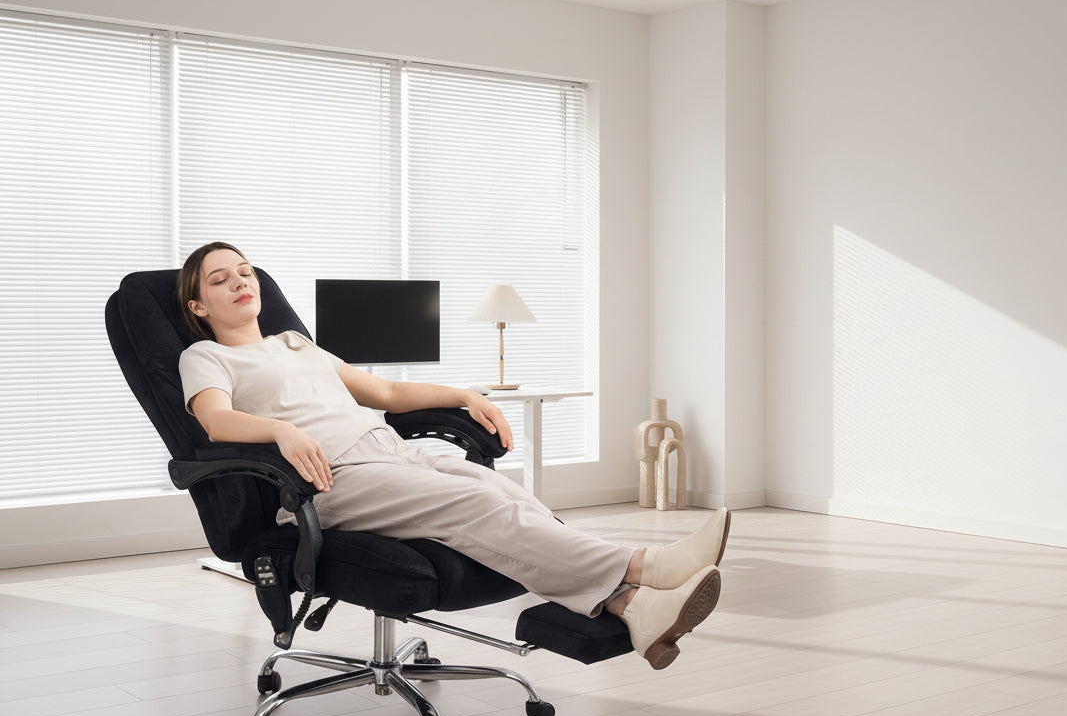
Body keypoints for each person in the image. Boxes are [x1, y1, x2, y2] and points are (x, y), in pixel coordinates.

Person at [176, 241, 729, 670]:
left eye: (245, 272)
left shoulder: (296, 343)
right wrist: (281, 431)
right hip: (325, 480)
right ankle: (648, 565)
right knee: (475, 505)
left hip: (389, 451)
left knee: (507, 493)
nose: (240, 282)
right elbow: (215, 420)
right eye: (220, 280)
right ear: (200, 304)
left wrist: (466, 395)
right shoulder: (205, 355)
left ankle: (634, 608)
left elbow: (386, 395)